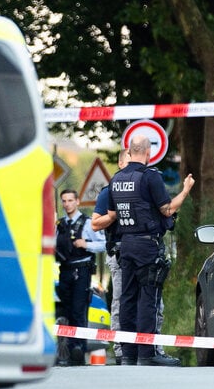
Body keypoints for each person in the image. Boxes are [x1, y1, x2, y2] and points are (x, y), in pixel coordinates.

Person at [104, 134, 194, 366]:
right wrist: (185, 191)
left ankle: (128, 353)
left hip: (126, 245)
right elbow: (166, 209)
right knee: (148, 299)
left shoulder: (115, 180)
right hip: (146, 245)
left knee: (127, 298)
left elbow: (114, 214)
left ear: (129, 151)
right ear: (148, 152)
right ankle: (147, 353)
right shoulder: (150, 177)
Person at [55, 188, 106, 366]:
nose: (67, 204)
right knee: (66, 311)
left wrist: (86, 244)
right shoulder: (60, 225)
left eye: (70, 200)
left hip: (81, 271)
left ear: (77, 202)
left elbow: (104, 244)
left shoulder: (87, 223)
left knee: (78, 311)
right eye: (64, 201)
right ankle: (67, 351)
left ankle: (78, 348)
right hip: (64, 271)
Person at [92, 148, 129, 364]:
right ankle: (120, 348)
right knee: (120, 300)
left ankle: (146, 347)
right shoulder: (110, 191)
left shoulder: (142, 189)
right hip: (119, 252)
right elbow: (95, 223)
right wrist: (112, 217)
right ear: (122, 163)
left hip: (141, 252)